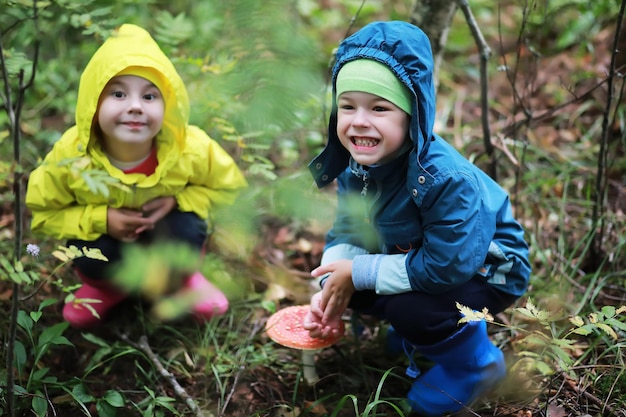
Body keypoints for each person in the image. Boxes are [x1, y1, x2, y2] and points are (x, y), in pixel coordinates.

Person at [303, 21, 531, 416]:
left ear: (412, 114)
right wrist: (330, 287)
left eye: (379, 108)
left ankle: (476, 364)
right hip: (416, 258)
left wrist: (359, 271)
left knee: (413, 309)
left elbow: (448, 266)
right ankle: (424, 339)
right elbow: (348, 229)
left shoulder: (446, 179)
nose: (358, 121)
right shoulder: (355, 164)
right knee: (343, 279)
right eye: (347, 105)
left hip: (485, 272)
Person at [25, 24, 247, 329]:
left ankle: (182, 281)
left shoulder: (190, 149)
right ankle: (104, 288)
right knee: (93, 251)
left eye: (149, 96)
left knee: (186, 228)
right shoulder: (71, 155)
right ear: (94, 102)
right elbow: (44, 213)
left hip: (163, 239)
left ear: (168, 105)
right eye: (118, 93)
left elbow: (230, 189)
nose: (134, 107)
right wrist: (101, 218)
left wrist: (178, 199)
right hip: (106, 249)